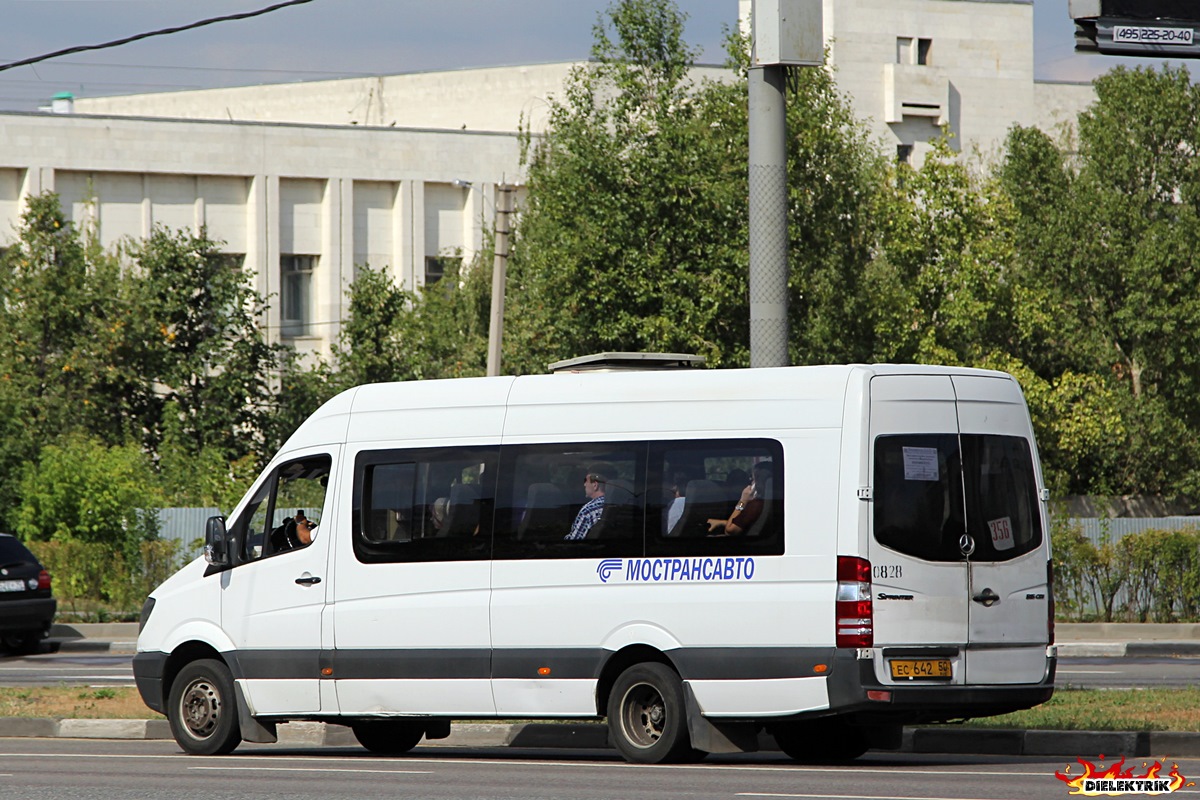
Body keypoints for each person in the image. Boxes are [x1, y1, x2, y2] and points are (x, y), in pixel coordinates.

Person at [708, 462, 772, 536]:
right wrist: (722, 522)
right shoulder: (770, 502)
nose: (751, 483)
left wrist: (743, 500)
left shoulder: (755, 505)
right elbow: (744, 524)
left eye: (753, 480)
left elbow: (730, 531)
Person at [564, 463, 612, 541]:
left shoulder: (589, 510)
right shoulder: (620, 504)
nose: (584, 485)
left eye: (586, 481)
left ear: (595, 485)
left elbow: (573, 542)